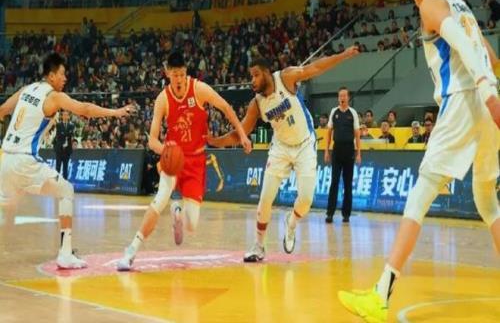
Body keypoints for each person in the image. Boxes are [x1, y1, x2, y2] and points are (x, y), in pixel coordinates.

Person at [338, 0, 500, 322]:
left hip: (465, 99)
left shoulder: (429, 3)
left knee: (421, 191)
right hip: (486, 97)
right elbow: (490, 56)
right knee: (488, 201)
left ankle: (380, 294)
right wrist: (491, 89)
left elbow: (460, 43)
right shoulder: (461, 6)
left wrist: (485, 91)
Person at [208, 47, 359, 262]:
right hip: (280, 148)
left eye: (256, 75)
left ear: (266, 73)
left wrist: (343, 55)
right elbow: (240, 133)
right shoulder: (257, 103)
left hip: (305, 144)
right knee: (265, 199)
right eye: (251, 76)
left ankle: (292, 222)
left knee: (306, 200)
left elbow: (316, 67)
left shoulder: (286, 78)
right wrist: (215, 141)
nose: (252, 80)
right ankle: (259, 246)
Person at [117, 52, 251, 271]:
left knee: (192, 225)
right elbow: (152, 140)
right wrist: (168, 150)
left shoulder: (199, 89)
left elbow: (226, 107)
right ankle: (131, 251)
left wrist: (242, 135)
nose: (178, 79)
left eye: (181, 74)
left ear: (185, 72)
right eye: (174, 75)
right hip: (173, 160)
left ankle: (177, 208)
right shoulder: (163, 99)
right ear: (167, 73)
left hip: (196, 160)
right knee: (159, 200)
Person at [0, 53, 134, 269]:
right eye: (62, 74)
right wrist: (116, 112)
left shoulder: (26, 89)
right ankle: (65, 254)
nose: (65, 78)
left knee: (6, 209)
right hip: (24, 161)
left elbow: (2, 110)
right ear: (51, 75)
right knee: (66, 191)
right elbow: (85, 109)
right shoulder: (53, 97)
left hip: (5, 160)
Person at [324, 87, 361, 224]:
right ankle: (330, 213)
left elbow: (357, 134)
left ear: (348, 97)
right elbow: (329, 132)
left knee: (347, 183)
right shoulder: (334, 112)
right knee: (334, 181)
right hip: (337, 150)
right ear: (338, 98)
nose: (342, 98)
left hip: (349, 150)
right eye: (340, 96)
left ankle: (346, 214)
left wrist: (358, 153)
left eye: (344, 96)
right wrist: (327, 150)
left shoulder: (353, 113)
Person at [53, 111, 74, 179]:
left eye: (66, 115)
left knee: (65, 167)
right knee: (58, 166)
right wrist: (67, 134)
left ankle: (65, 181)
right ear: (62, 116)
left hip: (67, 149)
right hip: (59, 148)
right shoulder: (58, 125)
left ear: (69, 116)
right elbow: (59, 135)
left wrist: (64, 134)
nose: (65, 116)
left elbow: (71, 134)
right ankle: (56, 181)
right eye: (64, 115)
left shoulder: (71, 125)